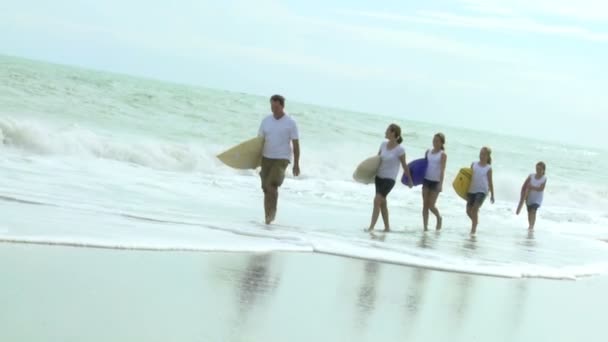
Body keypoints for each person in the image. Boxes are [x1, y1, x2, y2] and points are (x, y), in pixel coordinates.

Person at [257, 94, 300, 224]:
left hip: (282, 158)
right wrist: (255, 159)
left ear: (282, 106)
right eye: (271, 106)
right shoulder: (266, 121)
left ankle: (272, 214)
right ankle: (267, 218)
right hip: (266, 157)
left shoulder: (290, 123)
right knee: (265, 188)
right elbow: (259, 141)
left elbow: (296, 144)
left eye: (276, 106)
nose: (273, 109)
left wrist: (296, 164)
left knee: (272, 185)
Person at [368, 123, 413, 232]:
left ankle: (371, 227)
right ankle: (387, 228)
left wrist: (410, 180)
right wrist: (369, 172)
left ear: (393, 133)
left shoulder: (400, 149)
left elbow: (404, 165)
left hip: (389, 179)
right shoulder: (383, 144)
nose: (385, 132)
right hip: (379, 177)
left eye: (387, 130)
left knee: (377, 200)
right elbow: (377, 159)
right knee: (382, 202)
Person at [466, 146, 495, 235]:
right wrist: (464, 188)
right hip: (472, 189)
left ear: (488, 156)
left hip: (482, 191)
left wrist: (492, 195)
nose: (482, 156)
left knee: (475, 209)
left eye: (484, 154)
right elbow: (468, 177)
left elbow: (490, 182)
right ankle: (475, 222)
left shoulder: (488, 168)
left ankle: (473, 231)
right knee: (468, 211)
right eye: (481, 153)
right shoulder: (473, 164)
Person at [421, 133, 447, 231]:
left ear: (441, 143)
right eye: (434, 140)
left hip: (436, 182)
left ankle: (438, 218)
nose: (435, 142)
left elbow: (442, 170)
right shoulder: (428, 152)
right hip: (426, 180)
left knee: (431, 205)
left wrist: (441, 184)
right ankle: (425, 227)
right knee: (424, 204)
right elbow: (423, 165)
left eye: (437, 141)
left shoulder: (443, 154)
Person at [516, 162, 547, 230]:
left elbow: (541, 189)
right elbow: (524, 185)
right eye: (537, 168)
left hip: (537, 199)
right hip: (529, 197)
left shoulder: (544, 178)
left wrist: (532, 187)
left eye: (540, 169)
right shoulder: (531, 176)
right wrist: (522, 196)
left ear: (543, 170)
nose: (538, 170)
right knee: (529, 212)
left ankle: (531, 226)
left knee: (533, 211)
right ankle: (530, 225)